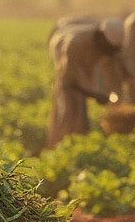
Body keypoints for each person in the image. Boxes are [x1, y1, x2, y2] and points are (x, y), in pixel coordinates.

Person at [46, 17, 125, 148]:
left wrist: (116, 99)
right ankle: (57, 146)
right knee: (68, 111)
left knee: (81, 117)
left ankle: (78, 141)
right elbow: (69, 81)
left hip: (81, 74)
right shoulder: (75, 44)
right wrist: (95, 94)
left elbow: (113, 75)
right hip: (65, 72)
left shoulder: (110, 47)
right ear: (101, 37)